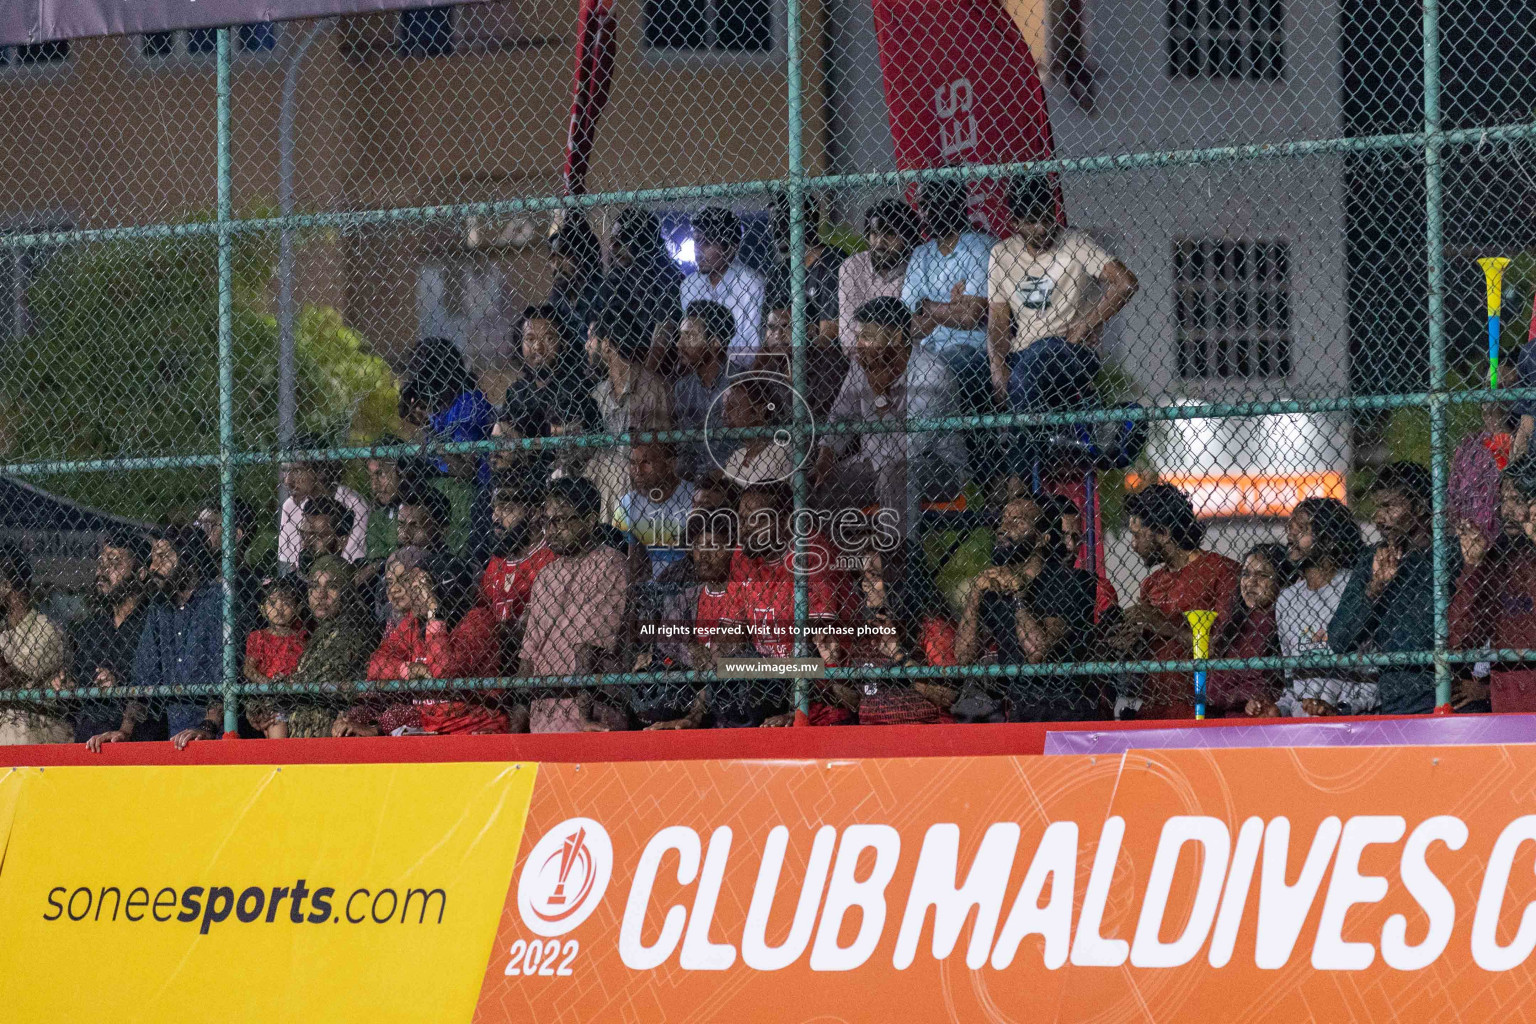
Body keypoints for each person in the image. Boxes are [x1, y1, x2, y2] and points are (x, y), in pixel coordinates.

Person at [986, 175, 1137, 418]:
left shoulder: (1075, 243)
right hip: (1021, 353)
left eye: (1047, 217)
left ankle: (1023, 454)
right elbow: (998, 322)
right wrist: (997, 365)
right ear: (1015, 222)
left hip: (1070, 349)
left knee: (1035, 363)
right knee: (973, 374)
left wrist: (1085, 326)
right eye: (1032, 221)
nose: (1043, 229)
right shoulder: (1002, 254)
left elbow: (1125, 283)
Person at [814, 297, 967, 536]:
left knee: (895, 475)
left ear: (896, 338)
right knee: (815, 485)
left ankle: (901, 564)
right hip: (873, 464)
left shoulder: (932, 373)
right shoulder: (862, 364)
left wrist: (880, 396)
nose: (859, 344)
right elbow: (841, 416)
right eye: (858, 336)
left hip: (936, 467)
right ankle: (837, 566)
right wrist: (825, 457)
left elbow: (910, 448)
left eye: (868, 336)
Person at [955, 495, 1097, 722]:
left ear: (1042, 539)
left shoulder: (1070, 582)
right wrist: (975, 593)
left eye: (1017, 522)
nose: (1003, 528)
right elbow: (963, 655)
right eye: (1003, 521)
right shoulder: (995, 587)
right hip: (1020, 708)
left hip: (1064, 707)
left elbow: (1037, 652)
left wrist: (1018, 595)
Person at [1329, 461, 1455, 716]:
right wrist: (1374, 589)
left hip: (1447, 694)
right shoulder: (1373, 559)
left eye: (1388, 507)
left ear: (1419, 507)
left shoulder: (1451, 554)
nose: (1379, 518)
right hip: (1395, 700)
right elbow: (1338, 639)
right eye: (1377, 508)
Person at [1110, 484, 1240, 720]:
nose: (1132, 544)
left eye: (1138, 535)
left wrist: (1166, 625)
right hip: (1154, 709)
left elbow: (1224, 649)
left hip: (1202, 709)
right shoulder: (1151, 584)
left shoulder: (1222, 572)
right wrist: (1126, 641)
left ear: (1164, 533)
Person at [339, 554, 506, 736]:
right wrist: (406, 669)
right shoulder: (414, 622)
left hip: (475, 729)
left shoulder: (478, 621)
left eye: (421, 588)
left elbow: (443, 671)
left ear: (442, 590)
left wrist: (434, 611)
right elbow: (376, 664)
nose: (411, 593)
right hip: (432, 731)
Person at [520, 478, 632, 732]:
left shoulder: (609, 563)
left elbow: (589, 645)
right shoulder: (546, 575)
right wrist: (518, 726)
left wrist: (583, 717)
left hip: (593, 712)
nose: (551, 529)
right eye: (546, 521)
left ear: (590, 520)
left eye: (560, 520)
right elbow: (528, 655)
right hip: (543, 713)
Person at [1247, 496, 1370, 718]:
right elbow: (1292, 686)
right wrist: (1279, 710)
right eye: (1290, 528)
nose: (1291, 536)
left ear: (1329, 539)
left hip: (1351, 723)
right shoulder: (1287, 599)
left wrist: (1342, 710)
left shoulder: (1354, 588)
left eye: (1302, 529)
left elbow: (1373, 674)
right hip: (1302, 727)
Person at [637, 510, 743, 729]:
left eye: (713, 547)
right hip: (687, 692)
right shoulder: (684, 600)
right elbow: (666, 648)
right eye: (698, 547)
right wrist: (688, 650)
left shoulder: (745, 596)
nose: (703, 555)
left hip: (731, 698)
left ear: (734, 550)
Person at [1450, 457, 1536, 712]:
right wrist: (1473, 568)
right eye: (1503, 500)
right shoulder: (1498, 562)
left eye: (1518, 500)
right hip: (1509, 710)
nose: (1507, 511)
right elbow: (1458, 640)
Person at [131, 527, 228, 749]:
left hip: (216, 735)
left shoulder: (216, 601)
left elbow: (225, 673)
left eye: (162, 557)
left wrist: (208, 727)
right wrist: (125, 730)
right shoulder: (159, 608)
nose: (153, 567)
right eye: (152, 559)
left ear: (189, 560)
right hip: (174, 735)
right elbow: (144, 676)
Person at [902, 179, 994, 410]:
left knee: (931, 379)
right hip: (925, 348)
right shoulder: (921, 254)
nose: (925, 213)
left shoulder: (981, 247)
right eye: (922, 205)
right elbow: (907, 325)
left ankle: (921, 447)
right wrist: (950, 308)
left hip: (971, 349)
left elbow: (970, 317)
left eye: (933, 204)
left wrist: (926, 307)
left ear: (953, 204)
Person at [586, 306, 674, 518]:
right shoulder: (598, 393)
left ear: (606, 345)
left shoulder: (651, 388)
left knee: (616, 468)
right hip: (608, 477)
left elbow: (659, 453)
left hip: (637, 476)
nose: (587, 345)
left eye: (591, 338)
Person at [74, 533, 155, 747]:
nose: (102, 570)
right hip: (89, 737)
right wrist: (66, 685)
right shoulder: (92, 627)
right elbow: (79, 682)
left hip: (138, 739)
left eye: (114, 562)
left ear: (141, 573)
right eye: (101, 563)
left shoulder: (153, 623)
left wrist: (120, 684)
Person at [285, 556, 377, 738]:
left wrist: (283, 686)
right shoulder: (321, 632)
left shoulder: (354, 631)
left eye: (332, 587)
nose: (320, 594)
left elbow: (318, 681)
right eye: (314, 586)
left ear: (347, 591)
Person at [1203, 543, 1292, 716]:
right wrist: (1243, 695)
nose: (1251, 582)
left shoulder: (1283, 622)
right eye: (1246, 574)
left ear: (1281, 580)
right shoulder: (1234, 624)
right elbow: (1213, 691)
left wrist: (1251, 698)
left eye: (1263, 575)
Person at [400, 336, 495, 486]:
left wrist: (429, 430)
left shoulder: (468, 403)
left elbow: (464, 470)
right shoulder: (440, 410)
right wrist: (425, 424)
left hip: (477, 489)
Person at [500, 305, 600, 444]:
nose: (538, 347)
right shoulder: (517, 392)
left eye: (548, 338)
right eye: (530, 339)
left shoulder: (576, 387)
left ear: (563, 343)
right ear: (519, 345)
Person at [0, 542, 68, 745]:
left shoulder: (46, 630)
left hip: (32, 734)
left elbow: (8, 678)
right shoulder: (3, 629)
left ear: (7, 585)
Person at [839, 198, 923, 360]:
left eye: (890, 234)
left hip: (905, 361)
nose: (879, 243)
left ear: (907, 237)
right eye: (874, 233)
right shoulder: (852, 267)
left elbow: (914, 334)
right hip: (862, 359)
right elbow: (846, 332)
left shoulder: (917, 267)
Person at [680, 206, 766, 362]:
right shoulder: (689, 285)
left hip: (738, 373)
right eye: (696, 240)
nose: (698, 250)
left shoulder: (752, 284)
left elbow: (751, 348)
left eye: (708, 242)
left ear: (731, 247)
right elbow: (689, 340)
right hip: (698, 370)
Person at [606, 208, 685, 376]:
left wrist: (644, 379)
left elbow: (664, 331)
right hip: (624, 365)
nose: (613, 247)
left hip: (661, 371)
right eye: (612, 240)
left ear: (643, 241)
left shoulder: (667, 277)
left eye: (622, 240)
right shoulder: (617, 278)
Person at [480, 475, 558, 637]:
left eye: (506, 509)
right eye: (494, 508)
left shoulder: (550, 560)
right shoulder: (497, 561)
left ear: (533, 513)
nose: (495, 517)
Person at [277, 439, 369, 574]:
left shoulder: (354, 504)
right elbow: (295, 567)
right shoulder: (290, 506)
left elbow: (351, 566)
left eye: (297, 471)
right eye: (285, 471)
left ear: (320, 471)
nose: (288, 481)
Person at [764, 196, 842, 345]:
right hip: (783, 355)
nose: (777, 230)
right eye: (773, 223)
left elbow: (829, 334)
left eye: (784, 222)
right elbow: (770, 333)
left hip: (823, 359)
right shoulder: (779, 272)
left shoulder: (833, 263)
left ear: (808, 222)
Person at [614, 443, 696, 581]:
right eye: (633, 463)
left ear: (671, 464)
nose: (638, 470)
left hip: (688, 585)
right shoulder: (627, 503)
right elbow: (629, 562)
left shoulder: (694, 499)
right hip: (647, 590)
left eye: (646, 462)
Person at [674, 300, 735, 481]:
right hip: (700, 479)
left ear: (714, 343)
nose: (678, 344)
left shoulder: (739, 382)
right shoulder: (682, 388)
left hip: (737, 476)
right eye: (680, 336)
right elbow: (687, 449)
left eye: (690, 337)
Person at [241, 578, 309, 739]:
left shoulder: (302, 639)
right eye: (272, 604)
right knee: (278, 720)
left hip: (294, 692)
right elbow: (249, 668)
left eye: (286, 603)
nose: (279, 609)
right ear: (263, 609)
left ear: (298, 608)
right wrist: (269, 684)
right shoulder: (259, 637)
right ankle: (279, 761)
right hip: (269, 695)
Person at [756, 303, 849, 421]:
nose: (778, 335)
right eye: (771, 327)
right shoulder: (768, 370)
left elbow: (821, 419)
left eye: (786, 326)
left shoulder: (832, 365)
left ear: (810, 330)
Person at [718, 376, 795, 487]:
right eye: (724, 407)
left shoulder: (780, 452)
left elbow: (759, 496)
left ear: (760, 411)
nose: (724, 414)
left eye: (733, 406)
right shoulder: (737, 456)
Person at [547, 214, 607, 348]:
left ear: (584, 258)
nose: (556, 265)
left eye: (565, 256)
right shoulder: (558, 299)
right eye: (552, 258)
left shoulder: (604, 293)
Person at [297, 494, 355, 572]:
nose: (305, 544)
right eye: (303, 535)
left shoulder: (352, 580)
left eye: (317, 536)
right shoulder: (286, 582)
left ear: (342, 541)